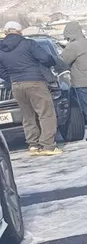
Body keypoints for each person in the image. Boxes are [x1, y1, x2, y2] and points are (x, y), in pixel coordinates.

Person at [0, 21, 61, 155]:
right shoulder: (29, 44)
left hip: (16, 85)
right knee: (46, 113)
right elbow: (46, 58)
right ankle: (48, 146)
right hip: (35, 82)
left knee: (27, 115)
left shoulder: (1, 48)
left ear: (6, 32)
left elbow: (1, 70)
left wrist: (12, 78)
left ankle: (33, 145)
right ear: (20, 31)